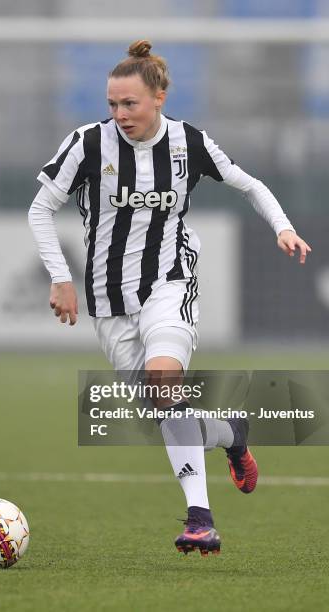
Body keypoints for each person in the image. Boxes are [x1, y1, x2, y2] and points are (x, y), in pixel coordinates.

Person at [28, 40, 311, 556]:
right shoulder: (87, 144)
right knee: (167, 415)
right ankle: (231, 432)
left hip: (169, 282)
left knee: (165, 382)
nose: (119, 114)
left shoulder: (189, 143)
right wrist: (60, 277)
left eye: (129, 103)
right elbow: (40, 208)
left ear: (158, 97)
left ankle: (200, 519)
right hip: (109, 302)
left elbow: (250, 185)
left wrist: (283, 227)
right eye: (112, 104)